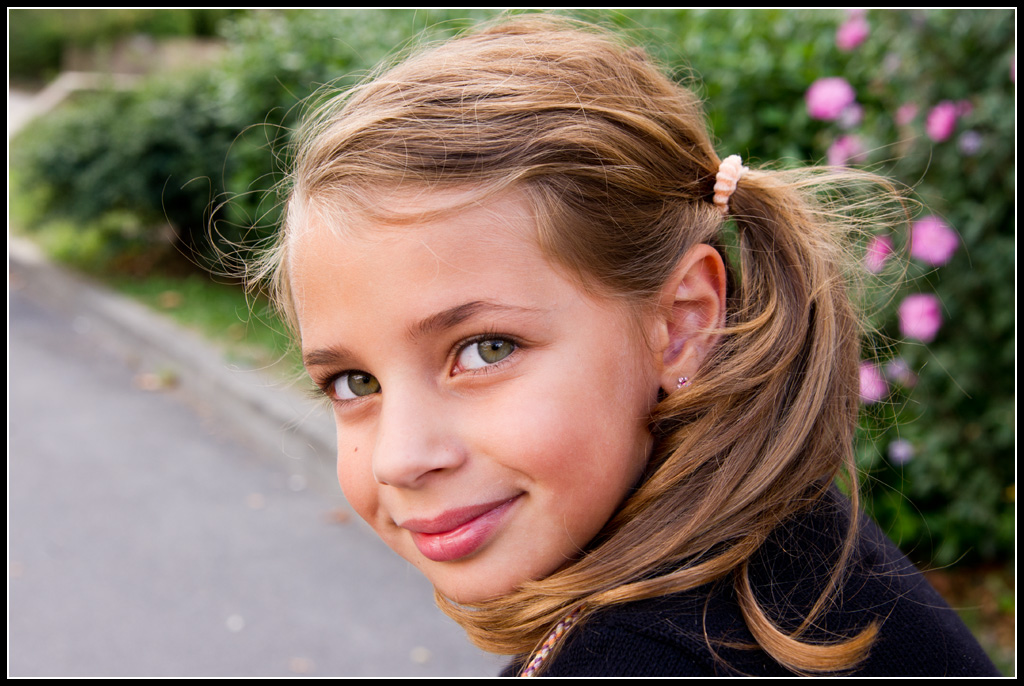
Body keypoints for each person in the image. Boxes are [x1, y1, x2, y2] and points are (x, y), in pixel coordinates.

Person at [249, 15, 999, 676]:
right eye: (355, 384)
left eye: (485, 349)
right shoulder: (781, 548)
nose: (401, 459)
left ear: (680, 324)